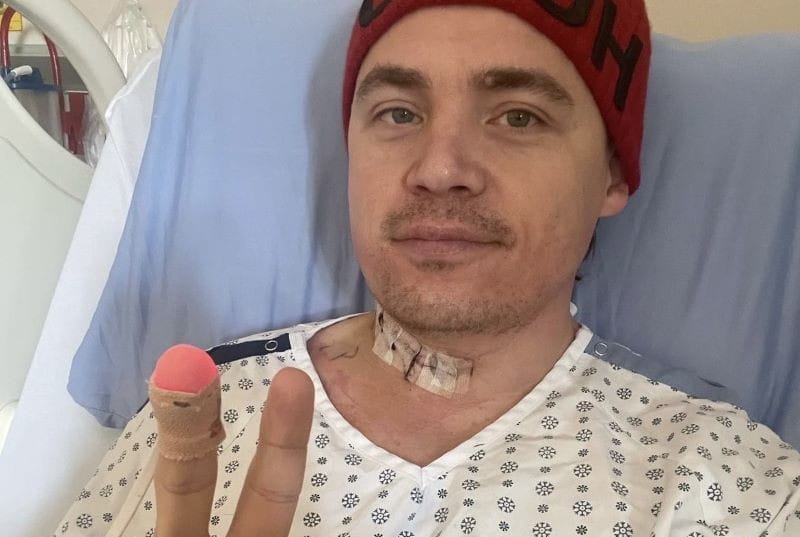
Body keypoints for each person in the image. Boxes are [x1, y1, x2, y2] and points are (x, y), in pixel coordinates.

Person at [56, 1, 800, 536]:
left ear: (611, 173)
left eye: (518, 116)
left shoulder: (726, 482)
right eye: (400, 113)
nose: (440, 169)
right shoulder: (200, 417)